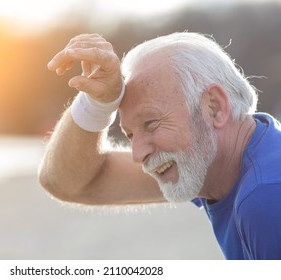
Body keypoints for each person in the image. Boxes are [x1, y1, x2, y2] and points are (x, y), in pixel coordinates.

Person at [38, 32, 281, 259]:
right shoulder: (216, 162)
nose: (137, 153)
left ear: (214, 107)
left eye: (151, 123)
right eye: (130, 135)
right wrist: (98, 104)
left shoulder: (266, 196)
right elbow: (64, 182)